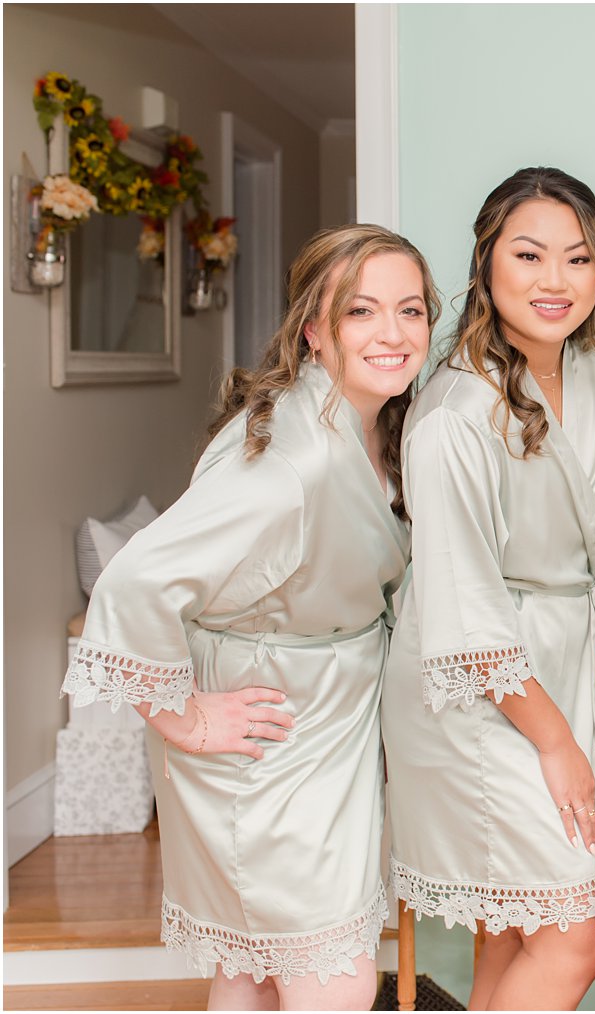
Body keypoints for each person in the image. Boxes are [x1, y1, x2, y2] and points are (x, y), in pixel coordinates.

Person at [61, 224, 439, 1010]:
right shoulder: (293, 462)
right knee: (330, 975)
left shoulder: (371, 426)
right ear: (313, 331)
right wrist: (182, 720)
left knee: (252, 968)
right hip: (269, 729)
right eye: (362, 312)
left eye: (411, 310)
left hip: (320, 720)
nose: (395, 334)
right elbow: (134, 580)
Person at [381, 167, 595, 1011]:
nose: (555, 281)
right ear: (488, 264)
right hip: (475, 689)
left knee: (510, 927)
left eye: (577, 259)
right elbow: (462, 602)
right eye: (529, 255)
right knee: (576, 929)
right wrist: (555, 738)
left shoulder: (591, 376)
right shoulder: (454, 412)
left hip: (557, 667)